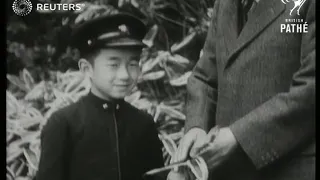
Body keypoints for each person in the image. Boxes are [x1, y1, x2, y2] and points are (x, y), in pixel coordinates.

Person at [169, 0, 315, 180]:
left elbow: (311, 88)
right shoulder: (225, 4)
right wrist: (197, 126)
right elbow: (205, 77)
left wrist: (240, 137)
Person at [36, 13, 164, 180]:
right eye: (113, 65)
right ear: (87, 68)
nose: (125, 74)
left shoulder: (143, 124)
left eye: (133, 64)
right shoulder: (63, 125)